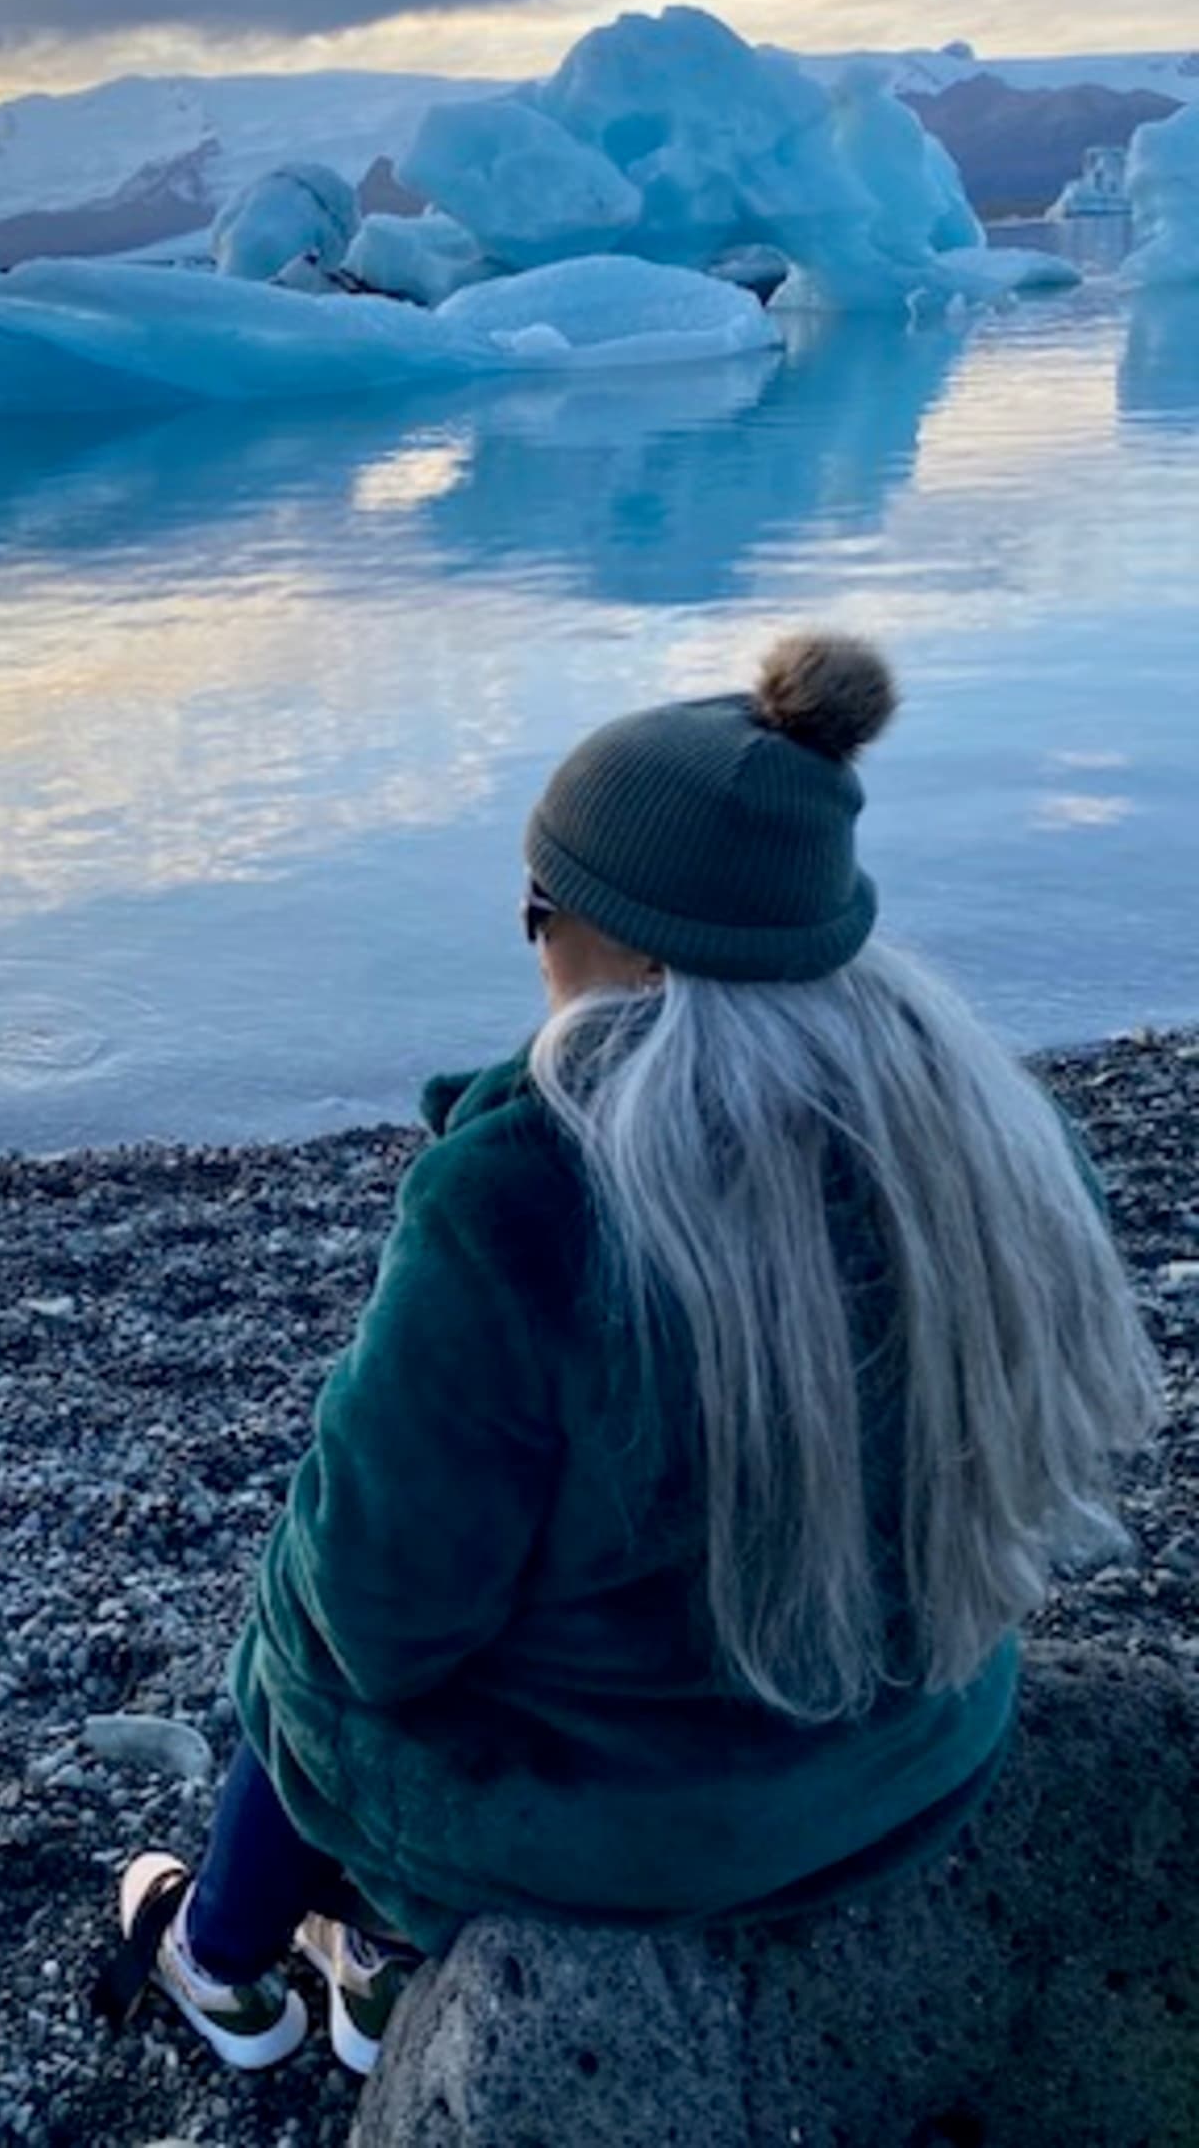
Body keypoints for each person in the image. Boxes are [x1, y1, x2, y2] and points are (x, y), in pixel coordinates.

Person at [97, 631, 1162, 2078]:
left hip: (625, 1828)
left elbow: (384, 1624)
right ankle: (375, 1970)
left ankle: (224, 1968)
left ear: (629, 944)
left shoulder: (522, 1202)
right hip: (906, 1765)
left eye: (540, 908)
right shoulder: (991, 1147)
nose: (531, 939)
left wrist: (302, 1554)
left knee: (302, 1633)